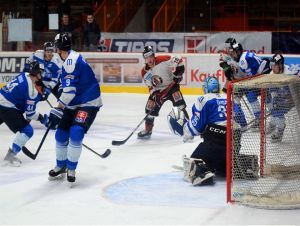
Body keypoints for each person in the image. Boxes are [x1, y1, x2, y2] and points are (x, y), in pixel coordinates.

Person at [168, 76, 258, 185]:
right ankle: (246, 164)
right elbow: (242, 124)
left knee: (195, 163)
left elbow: (196, 127)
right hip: (235, 140)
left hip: (215, 141)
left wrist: (185, 133)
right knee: (222, 166)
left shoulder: (204, 99)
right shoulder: (229, 98)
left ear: (205, 88)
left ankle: (202, 172)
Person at [47, 33, 102, 186]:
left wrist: (58, 109)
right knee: (61, 133)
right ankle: (61, 165)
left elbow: (69, 91)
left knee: (76, 132)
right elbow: (67, 88)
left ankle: (71, 168)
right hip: (74, 101)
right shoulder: (69, 58)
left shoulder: (70, 62)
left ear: (59, 48)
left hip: (88, 101)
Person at [0, 61, 49, 166]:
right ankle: (10, 156)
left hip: (2, 98)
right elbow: (30, 115)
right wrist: (42, 118)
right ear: (36, 73)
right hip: (6, 107)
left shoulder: (24, 74)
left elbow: (20, 97)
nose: (42, 75)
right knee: (27, 130)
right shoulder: (32, 91)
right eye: (41, 73)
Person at [137, 45, 188, 139]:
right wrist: (154, 94)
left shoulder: (163, 59)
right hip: (159, 91)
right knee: (149, 109)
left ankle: (188, 128)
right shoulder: (145, 72)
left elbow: (179, 58)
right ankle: (148, 130)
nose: (149, 59)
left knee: (180, 106)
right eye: (146, 57)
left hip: (172, 87)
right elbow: (150, 86)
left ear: (153, 55)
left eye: (150, 56)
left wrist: (178, 74)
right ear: (144, 58)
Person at [221, 38, 272, 130]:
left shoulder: (242, 60)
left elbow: (251, 77)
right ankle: (242, 122)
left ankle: (260, 120)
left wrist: (237, 82)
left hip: (254, 80)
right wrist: (228, 72)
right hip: (247, 80)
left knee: (251, 96)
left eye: (230, 48)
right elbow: (224, 65)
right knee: (236, 99)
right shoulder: (239, 56)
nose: (228, 51)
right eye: (227, 48)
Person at [267, 52, 300, 142]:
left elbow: (296, 91)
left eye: (275, 65)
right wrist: (275, 100)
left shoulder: (290, 73)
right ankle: (279, 131)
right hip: (286, 97)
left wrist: (284, 100)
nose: (272, 68)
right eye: (271, 65)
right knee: (276, 110)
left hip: (296, 97)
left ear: (281, 65)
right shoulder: (271, 74)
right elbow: (273, 91)